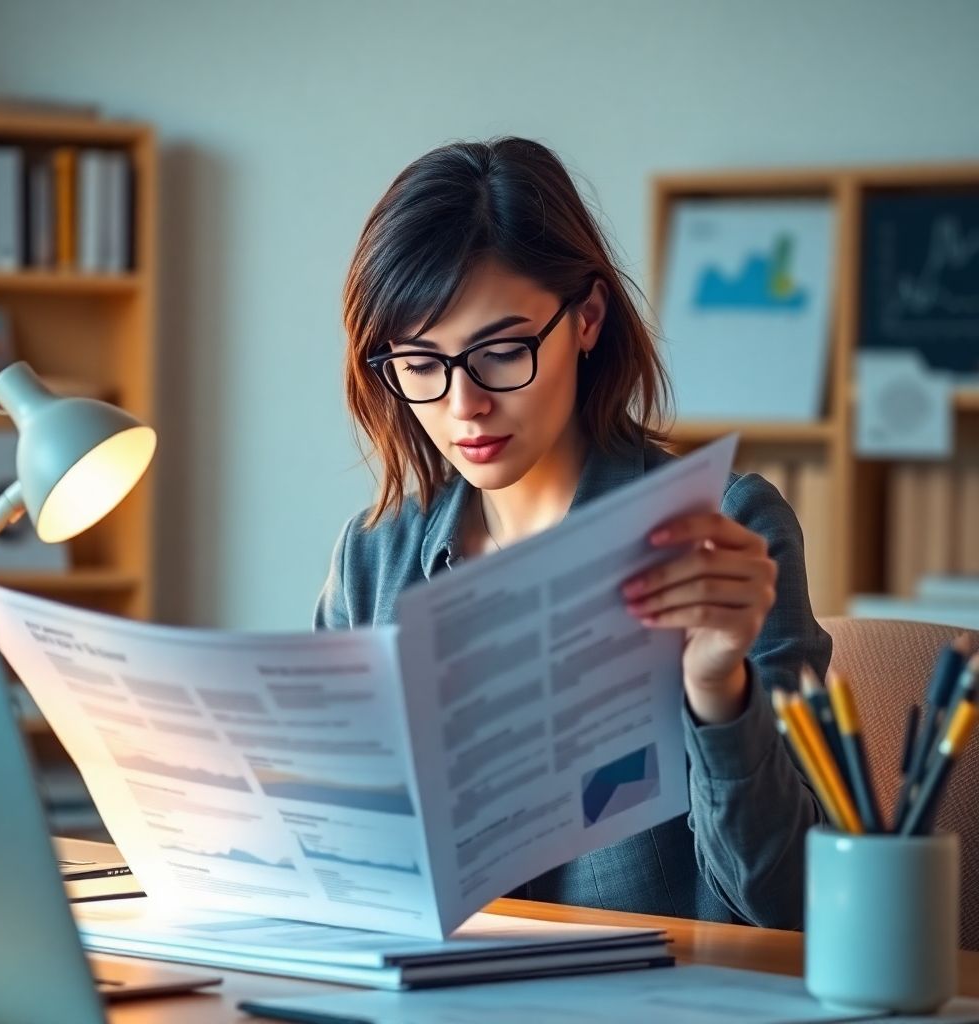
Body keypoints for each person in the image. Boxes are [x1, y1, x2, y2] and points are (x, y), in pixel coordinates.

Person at [315, 137, 830, 930]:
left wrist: (718, 690)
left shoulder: (724, 530)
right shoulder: (374, 556)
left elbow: (794, 909)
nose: (464, 406)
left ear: (586, 318)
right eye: (420, 363)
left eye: (501, 351)